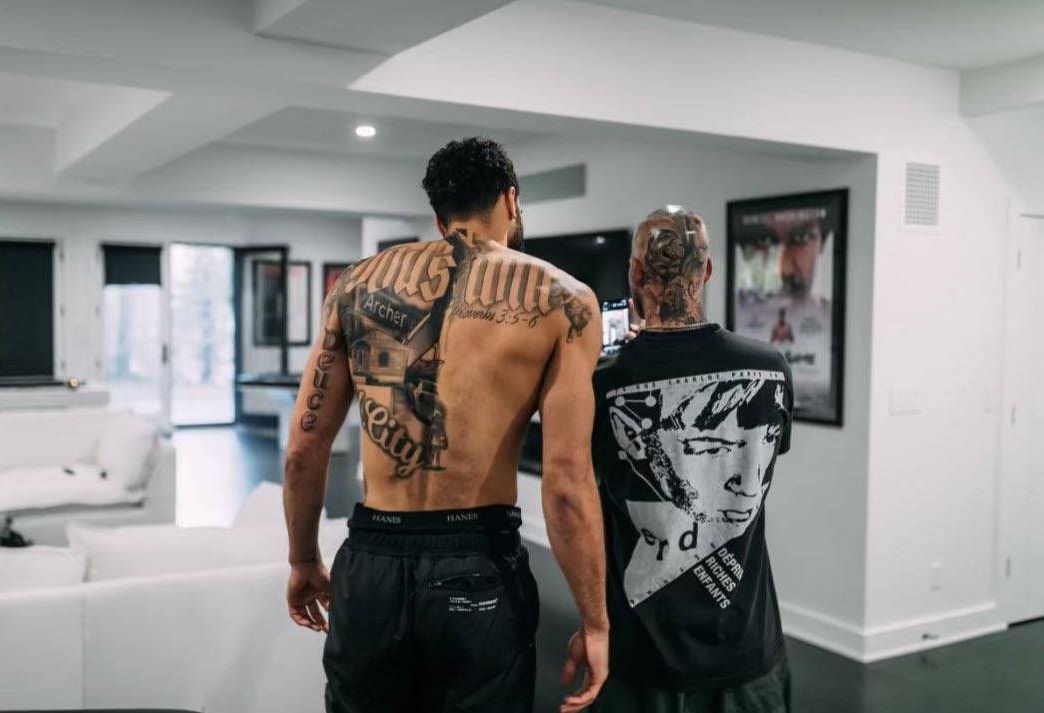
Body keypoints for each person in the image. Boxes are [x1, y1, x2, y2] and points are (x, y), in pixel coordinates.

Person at [282, 137, 610, 713]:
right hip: (477, 561)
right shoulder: (566, 302)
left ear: (439, 216)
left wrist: (304, 560)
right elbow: (565, 481)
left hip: (373, 558)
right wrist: (595, 621)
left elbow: (303, 450)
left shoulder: (353, 287)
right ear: (511, 200)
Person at [590, 208, 794, 712]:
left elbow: (581, 503)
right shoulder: (770, 368)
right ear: (706, 271)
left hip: (641, 656)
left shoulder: (603, 384)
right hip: (748, 653)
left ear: (635, 275)